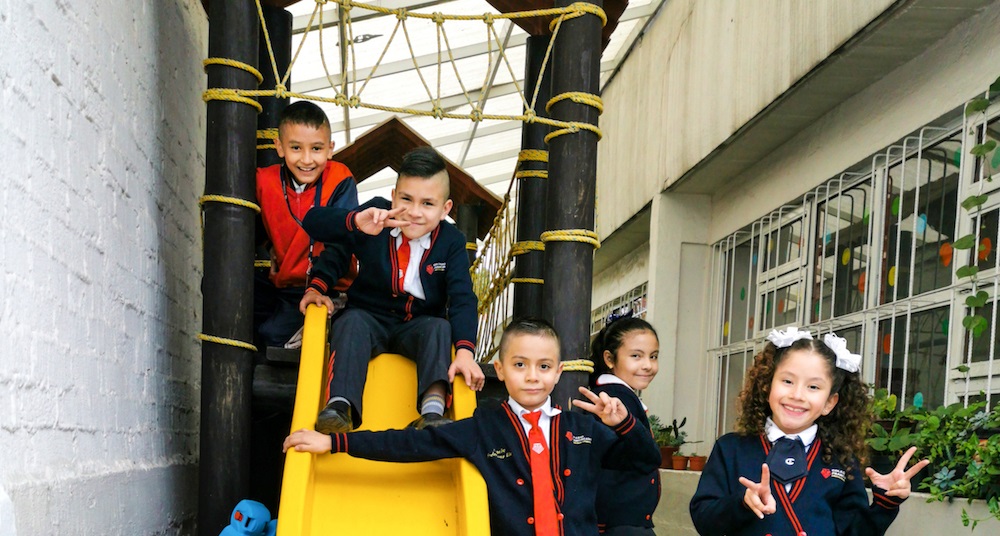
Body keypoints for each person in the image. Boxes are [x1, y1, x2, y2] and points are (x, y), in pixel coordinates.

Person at [283, 318, 662, 536]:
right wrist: (335, 443)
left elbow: (643, 462)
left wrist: (625, 423)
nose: (533, 377)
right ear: (499, 370)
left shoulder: (582, 428)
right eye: (520, 365)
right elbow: (410, 444)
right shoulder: (483, 428)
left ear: (558, 371)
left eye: (544, 366)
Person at [299, 146, 485, 433]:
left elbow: (462, 298)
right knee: (350, 322)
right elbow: (322, 233)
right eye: (406, 199)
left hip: (417, 326)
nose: (414, 212)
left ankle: (433, 411)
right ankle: (339, 407)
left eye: (427, 204)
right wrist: (354, 226)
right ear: (393, 195)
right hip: (369, 317)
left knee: (439, 327)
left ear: (445, 209)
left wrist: (465, 352)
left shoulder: (452, 241)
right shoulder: (376, 216)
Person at [689, 327, 929, 536]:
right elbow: (704, 520)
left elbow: (855, 533)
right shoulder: (731, 449)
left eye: (813, 386)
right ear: (767, 385)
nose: (797, 395)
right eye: (787, 381)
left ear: (829, 402)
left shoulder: (841, 459)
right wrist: (742, 503)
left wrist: (885, 503)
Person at [254, 100, 358, 348]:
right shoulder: (264, 181)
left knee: (271, 334)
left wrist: (317, 287)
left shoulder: (340, 179)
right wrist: (270, 248)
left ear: (330, 149)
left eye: (317, 148)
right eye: (296, 148)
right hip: (285, 286)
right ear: (279, 147)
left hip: (329, 287)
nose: (307, 159)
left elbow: (341, 244)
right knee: (223, 289)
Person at [589, 314, 661, 535]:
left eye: (654, 356)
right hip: (620, 525)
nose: (647, 365)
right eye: (636, 356)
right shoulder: (615, 398)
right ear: (610, 359)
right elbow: (648, 457)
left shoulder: (619, 394)